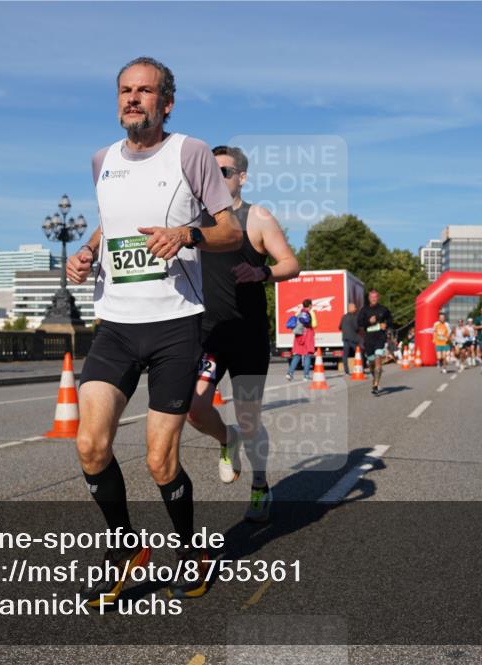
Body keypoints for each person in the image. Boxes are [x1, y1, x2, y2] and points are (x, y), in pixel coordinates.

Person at [64, 57, 242, 604]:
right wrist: (89, 250)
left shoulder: (189, 152)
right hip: (116, 322)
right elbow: (110, 218)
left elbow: (229, 230)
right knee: (90, 446)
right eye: (125, 90)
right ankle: (126, 548)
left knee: (159, 460)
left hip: (173, 324)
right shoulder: (102, 160)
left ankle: (191, 549)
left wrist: (186, 234)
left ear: (166, 102)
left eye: (145, 91)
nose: (132, 99)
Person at [186, 145, 299, 524]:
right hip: (209, 333)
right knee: (195, 409)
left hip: (248, 335)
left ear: (242, 177)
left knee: (250, 418)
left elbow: (290, 263)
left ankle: (260, 483)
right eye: (211, 172)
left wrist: (262, 273)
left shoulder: (257, 216)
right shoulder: (196, 220)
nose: (217, 178)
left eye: (225, 172)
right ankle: (226, 439)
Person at [357, 289, 392, 395]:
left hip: (380, 337)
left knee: (377, 358)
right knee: (371, 362)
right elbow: (359, 323)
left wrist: (386, 325)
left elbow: (390, 320)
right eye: (372, 297)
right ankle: (374, 378)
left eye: (375, 297)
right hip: (369, 339)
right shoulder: (364, 310)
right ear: (369, 298)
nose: (374, 299)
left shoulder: (383, 309)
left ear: (378, 297)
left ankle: (376, 384)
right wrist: (369, 321)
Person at [286, 299, 317, 381]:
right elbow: (314, 324)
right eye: (311, 305)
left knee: (297, 355)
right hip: (307, 335)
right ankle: (306, 376)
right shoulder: (310, 313)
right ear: (310, 305)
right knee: (307, 356)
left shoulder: (298, 313)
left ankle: (290, 373)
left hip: (298, 336)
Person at [340, 302, 361, 375]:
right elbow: (356, 327)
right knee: (358, 353)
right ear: (351, 308)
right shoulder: (355, 317)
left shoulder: (344, 317)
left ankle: (346, 370)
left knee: (345, 354)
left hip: (345, 337)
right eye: (355, 307)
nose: (356, 309)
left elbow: (340, 327)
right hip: (353, 338)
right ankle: (360, 367)